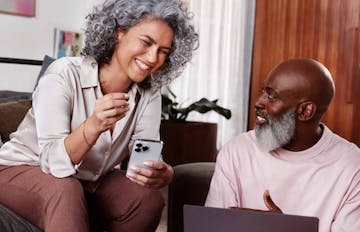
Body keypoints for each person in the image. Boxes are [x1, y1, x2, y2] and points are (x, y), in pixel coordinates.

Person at [0, 0, 198, 231]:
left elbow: (142, 156)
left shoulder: (149, 94)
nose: (153, 58)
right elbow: (54, 163)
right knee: (65, 189)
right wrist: (93, 125)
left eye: (163, 51)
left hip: (89, 180)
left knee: (146, 198)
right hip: (21, 169)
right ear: (119, 33)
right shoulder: (64, 74)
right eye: (146, 42)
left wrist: (160, 172)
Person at [205, 58, 360, 232]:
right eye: (263, 91)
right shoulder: (238, 150)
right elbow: (214, 227)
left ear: (305, 111)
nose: (258, 102)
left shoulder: (353, 167)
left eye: (271, 96)